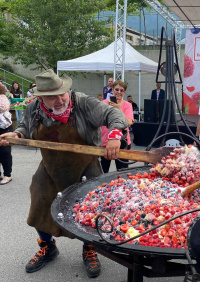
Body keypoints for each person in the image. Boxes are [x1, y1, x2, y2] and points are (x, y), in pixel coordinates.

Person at [0, 69, 127, 278]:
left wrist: (114, 135)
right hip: (50, 166)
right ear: (41, 97)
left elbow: (112, 114)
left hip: (86, 165)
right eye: (51, 96)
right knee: (39, 202)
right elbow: (25, 126)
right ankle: (47, 247)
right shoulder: (34, 108)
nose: (59, 100)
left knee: (92, 209)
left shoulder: (83, 103)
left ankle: (90, 249)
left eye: (62, 93)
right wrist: (17, 133)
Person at [100, 80, 133, 173]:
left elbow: (129, 122)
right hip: (105, 140)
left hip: (122, 141)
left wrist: (118, 108)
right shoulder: (103, 103)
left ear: (124, 92)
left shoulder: (127, 105)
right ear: (112, 90)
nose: (119, 92)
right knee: (103, 171)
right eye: (117, 89)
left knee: (122, 171)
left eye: (121, 90)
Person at [0, 84, 13, 185]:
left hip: (5, 128)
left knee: (5, 152)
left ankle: (7, 175)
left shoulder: (2, 98)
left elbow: (3, 108)